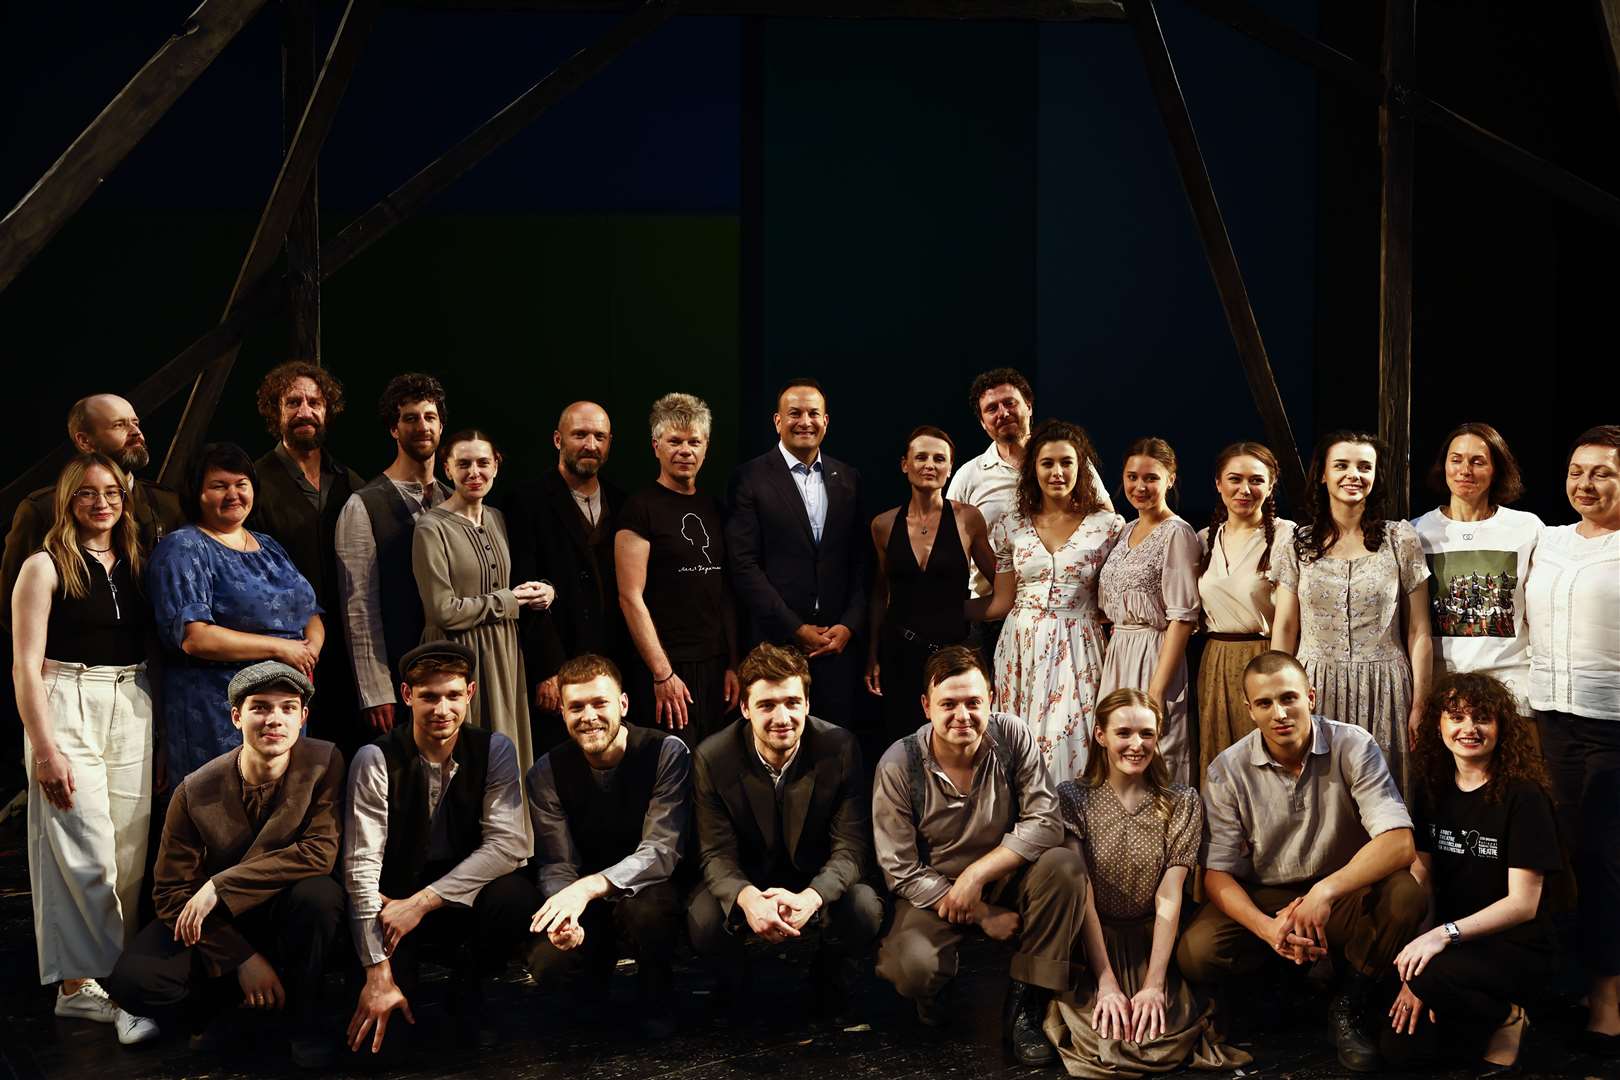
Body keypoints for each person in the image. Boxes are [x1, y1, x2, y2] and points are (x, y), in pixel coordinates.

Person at [1177, 651, 1425, 1073]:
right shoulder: (1227, 770)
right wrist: (1269, 928)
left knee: (1405, 894)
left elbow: (1400, 843)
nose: (1279, 713)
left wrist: (1324, 892)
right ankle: (1282, 982)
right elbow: (1217, 874)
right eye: (1264, 703)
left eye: (1289, 698)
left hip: (1343, 890)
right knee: (1196, 952)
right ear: (1249, 709)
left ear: (1311, 697)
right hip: (1269, 894)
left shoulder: (1353, 744)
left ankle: (1350, 1002)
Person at [103, 661, 347, 1067]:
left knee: (320, 896)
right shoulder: (196, 788)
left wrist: (219, 884)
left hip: (285, 911)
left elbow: (319, 852)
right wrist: (241, 958)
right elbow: (169, 892)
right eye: (260, 707)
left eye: (288, 708)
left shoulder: (324, 763)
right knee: (133, 980)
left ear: (303, 717)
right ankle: (227, 1011)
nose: (275, 719)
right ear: (237, 716)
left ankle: (300, 1016)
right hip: (223, 924)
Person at [873, 645, 1088, 1067]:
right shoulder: (899, 763)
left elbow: (1046, 821)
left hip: (1006, 875)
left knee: (1064, 866)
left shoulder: (1012, 736)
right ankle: (935, 993)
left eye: (974, 702)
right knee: (911, 968)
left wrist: (977, 875)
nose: (962, 715)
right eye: (948, 704)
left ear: (992, 699)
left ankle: (1027, 1001)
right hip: (934, 892)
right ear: (925, 706)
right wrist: (982, 913)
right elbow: (899, 868)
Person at [10, 453, 157, 1043]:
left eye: (111, 492)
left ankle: (104, 981)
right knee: (83, 849)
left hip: (133, 698)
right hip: (68, 696)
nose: (101, 503)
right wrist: (44, 748)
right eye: (87, 493)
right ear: (67, 500)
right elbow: (23, 663)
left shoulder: (138, 561)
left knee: (126, 854)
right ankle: (83, 988)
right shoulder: (43, 566)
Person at [343, 641, 539, 1055]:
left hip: (455, 897)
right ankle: (386, 982)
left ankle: (469, 987)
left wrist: (423, 902)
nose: (441, 709)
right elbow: (361, 868)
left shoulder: (494, 748)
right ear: (407, 696)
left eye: (453, 695)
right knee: (387, 1047)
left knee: (516, 895)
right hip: (391, 905)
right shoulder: (375, 759)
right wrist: (376, 971)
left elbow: (508, 845)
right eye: (429, 697)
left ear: (469, 693)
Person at [1043, 689, 1251, 1078]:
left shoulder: (1181, 801)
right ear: (1101, 736)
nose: (1136, 745)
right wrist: (1105, 980)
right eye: (1124, 733)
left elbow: (1170, 894)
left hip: (1151, 940)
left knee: (1157, 1039)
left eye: (1147, 734)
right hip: (1093, 941)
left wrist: (1155, 982)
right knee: (1105, 1039)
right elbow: (1081, 892)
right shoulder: (1072, 797)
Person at [687, 642, 882, 1023]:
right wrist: (747, 898)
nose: (783, 716)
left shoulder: (839, 747)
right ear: (745, 708)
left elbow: (851, 848)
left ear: (808, 704)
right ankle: (734, 984)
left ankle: (829, 979)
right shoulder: (713, 756)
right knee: (703, 917)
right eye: (767, 705)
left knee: (864, 908)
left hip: (814, 876)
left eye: (793, 702)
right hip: (748, 876)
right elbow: (715, 854)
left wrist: (812, 897)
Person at [1382, 673, 1561, 1076]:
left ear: (1502, 726)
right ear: (1439, 725)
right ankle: (1469, 1014)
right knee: (1399, 1052)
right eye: (1457, 717)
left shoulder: (1524, 795)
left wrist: (1439, 939)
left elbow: (1523, 904)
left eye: (1482, 718)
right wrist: (1416, 959)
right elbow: (1423, 876)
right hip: (1454, 946)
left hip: (1516, 946)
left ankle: (1510, 1014)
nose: (1469, 729)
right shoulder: (1433, 787)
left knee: (1430, 979)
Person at [526, 653, 690, 1038]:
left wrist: (590, 886)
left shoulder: (665, 752)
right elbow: (555, 862)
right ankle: (590, 992)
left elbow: (661, 851)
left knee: (650, 912)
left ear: (623, 704)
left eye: (600, 703)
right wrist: (565, 913)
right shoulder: (546, 772)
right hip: (585, 897)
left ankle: (656, 997)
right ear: (563, 712)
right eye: (576, 707)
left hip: (648, 889)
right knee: (548, 960)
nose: (589, 716)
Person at [1526, 424, 1620, 1056]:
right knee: (1556, 858)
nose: (1585, 484)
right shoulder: (1549, 541)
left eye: (1603, 473)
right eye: (1577, 471)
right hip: (1547, 722)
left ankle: (1608, 1001)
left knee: (1605, 861)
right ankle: (1567, 983)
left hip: (1610, 725)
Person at [1272, 430, 1433, 796]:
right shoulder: (1298, 543)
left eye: (1364, 467)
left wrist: (1420, 701)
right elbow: (1284, 627)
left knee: (1383, 795)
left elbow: (1419, 631)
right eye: (1341, 465)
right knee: (1318, 794)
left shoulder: (1400, 540)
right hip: (1314, 684)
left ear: (1375, 476)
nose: (1353, 475)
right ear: (1324, 475)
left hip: (1386, 687)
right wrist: (1277, 696)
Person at [148, 442, 322, 780]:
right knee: (224, 812)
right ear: (196, 493)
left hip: (284, 703)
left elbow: (310, 611)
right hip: (219, 708)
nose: (233, 494)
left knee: (281, 810)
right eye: (219, 486)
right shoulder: (184, 547)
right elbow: (195, 636)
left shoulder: (268, 545)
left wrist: (309, 652)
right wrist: (282, 648)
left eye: (241, 484)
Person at [978, 420, 1125, 777]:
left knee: (1072, 743)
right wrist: (934, 612)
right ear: (1033, 469)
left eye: (1066, 462)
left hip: (1078, 645)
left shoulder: (1108, 526)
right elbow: (1000, 602)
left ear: (1081, 467)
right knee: (1018, 745)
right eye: (1047, 463)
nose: (1057, 472)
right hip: (1020, 646)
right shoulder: (1011, 525)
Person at [727, 379, 869, 725]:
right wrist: (795, 627)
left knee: (838, 748)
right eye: (795, 413)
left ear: (826, 421)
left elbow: (863, 562)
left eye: (813, 413)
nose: (805, 421)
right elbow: (743, 565)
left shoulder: (848, 478)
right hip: (775, 643)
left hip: (837, 647)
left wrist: (849, 626)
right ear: (778, 421)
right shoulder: (749, 478)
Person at [413, 429, 553, 778]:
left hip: (504, 653)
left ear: (496, 466)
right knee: (466, 762)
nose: (474, 472)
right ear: (447, 468)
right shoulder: (431, 528)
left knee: (508, 755)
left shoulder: (498, 518)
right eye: (463, 464)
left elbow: (519, 581)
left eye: (482, 463)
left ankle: (511, 834)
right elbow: (442, 610)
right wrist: (509, 600)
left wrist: (544, 592)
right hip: (458, 656)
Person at [945, 368, 1112, 656]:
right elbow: (946, 543)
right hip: (994, 614)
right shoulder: (968, 476)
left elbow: (1107, 528)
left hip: (1069, 616)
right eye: (991, 408)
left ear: (1029, 406)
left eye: (1010, 403)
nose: (1003, 412)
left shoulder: (1069, 463)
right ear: (983, 423)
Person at [247, 361, 365, 749]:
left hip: (349, 648)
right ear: (274, 411)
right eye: (292, 402)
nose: (305, 411)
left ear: (327, 410)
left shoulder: (351, 482)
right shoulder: (253, 482)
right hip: (285, 644)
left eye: (314, 402)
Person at [1, 393, 183, 633]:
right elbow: (11, 607)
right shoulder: (43, 508)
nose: (136, 433)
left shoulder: (167, 504)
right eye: (119, 425)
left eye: (135, 423)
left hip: (154, 662)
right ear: (84, 441)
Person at [616, 393, 740, 745]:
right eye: (674, 441)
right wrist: (662, 673)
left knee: (715, 771)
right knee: (673, 770)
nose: (685, 450)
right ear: (656, 446)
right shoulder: (639, 508)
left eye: (693, 442)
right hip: (667, 667)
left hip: (716, 667)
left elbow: (725, 591)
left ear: (706, 448)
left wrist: (732, 662)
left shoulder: (716, 507)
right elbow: (630, 597)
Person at [335, 373, 451, 742]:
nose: (422, 426)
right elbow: (358, 606)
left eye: (430, 417)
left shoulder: (455, 499)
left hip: (452, 676)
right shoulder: (363, 504)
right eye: (410, 418)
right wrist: (376, 689)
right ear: (393, 430)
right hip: (399, 676)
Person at [508, 401, 629, 751]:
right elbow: (524, 588)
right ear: (558, 439)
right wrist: (548, 668)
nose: (590, 444)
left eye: (599, 436)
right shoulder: (526, 502)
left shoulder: (624, 503)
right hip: (556, 666)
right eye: (580, 434)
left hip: (612, 659)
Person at [865, 425, 996, 745]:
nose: (930, 465)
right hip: (899, 653)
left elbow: (998, 583)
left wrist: (961, 610)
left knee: (954, 741)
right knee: (902, 740)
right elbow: (880, 595)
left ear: (950, 467)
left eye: (939, 458)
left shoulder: (969, 519)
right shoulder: (882, 525)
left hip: (953, 652)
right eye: (920, 457)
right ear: (904, 464)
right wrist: (872, 656)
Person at [1411, 423, 1541, 704]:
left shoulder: (1526, 528)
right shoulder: (1416, 532)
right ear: (1443, 466)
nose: (1465, 470)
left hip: (1512, 690)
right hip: (1442, 691)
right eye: (1456, 459)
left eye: (1477, 461)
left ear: (1496, 469)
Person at [1098, 438, 1202, 786]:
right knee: (1116, 750)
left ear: (1170, 479)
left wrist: (1156, 688)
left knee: (1155, 750)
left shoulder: (1177, 532)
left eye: (1151, 478)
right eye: (1132, 477)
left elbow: (1183, 617)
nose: (1139, 487)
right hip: (1119, 653)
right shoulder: (1126, 530)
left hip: (1154, 653)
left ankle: (1163, 835)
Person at [1196, 442, 1296, 787]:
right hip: (1216, 661)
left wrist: (1278, 675)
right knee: (1220, 761)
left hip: (1264, 656)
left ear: (1270, 485)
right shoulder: (1205, 539)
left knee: (1267, 762)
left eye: (1255, 480)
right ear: (1218, 484)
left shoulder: (1286, 536)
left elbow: (1287, 619)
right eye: (1234, 479)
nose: (1244, 489)